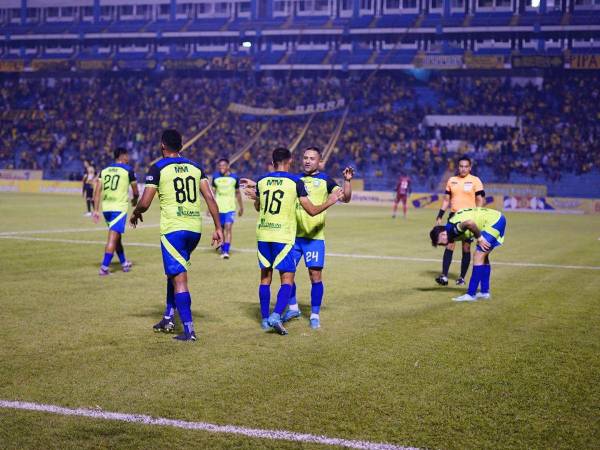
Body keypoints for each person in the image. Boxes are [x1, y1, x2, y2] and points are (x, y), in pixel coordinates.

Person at [130, 129, 223, 342]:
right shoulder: (196, 167)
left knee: (180, 280)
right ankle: (168, 317)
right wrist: (218, 227)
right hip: (194, 229)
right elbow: (209, 196)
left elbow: (144, 203)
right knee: (174, 273)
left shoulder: (158, 167)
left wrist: (135, 213)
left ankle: (189, 330)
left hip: (174, 230)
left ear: (163, 145)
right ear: (180, 146)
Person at [250, 147, 343, 335]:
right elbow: (312, 210)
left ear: (272, 160)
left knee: (265, 278)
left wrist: (256, 196)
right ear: (290, 160)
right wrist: (331, 201)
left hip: (263, 235)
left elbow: (258, 206)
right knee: (287, 278)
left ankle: (264, 319)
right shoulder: (295, 182)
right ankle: (277, 315)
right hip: (283, 236)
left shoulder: (262, 180)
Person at [282, 146, 353, 329]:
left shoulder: (325, 180)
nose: (307, 161)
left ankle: (314, 315)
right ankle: (293, 308)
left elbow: (345, 198)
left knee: (315, 277)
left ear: (319, 162)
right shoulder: (295, 180)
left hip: (314, 238)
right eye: (305, 157)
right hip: (293, 237)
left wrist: (347, 182)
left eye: (312, 158)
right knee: (286, 274)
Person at [429, 207, 506, 302]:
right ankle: (484, 292)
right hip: (497, 218)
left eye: (440, 243)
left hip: (493, 221)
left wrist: (480, 238)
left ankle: (471, 294)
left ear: (443, 234)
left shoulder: (452, 230)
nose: (442, 245)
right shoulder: (450, 228)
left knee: (478, 255)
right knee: (483, 256)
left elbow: (470, 223)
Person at [435, 156, 485, 286]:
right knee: (449, 244)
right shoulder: (452, 180)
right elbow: (446, 200)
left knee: (466, 247)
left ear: (470, 167)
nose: (463, 169)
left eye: (465, 166)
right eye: (461, 166)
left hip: (469, 218)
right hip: (453, 216)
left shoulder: (475, 181)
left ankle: (461, 278)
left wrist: (477, 215)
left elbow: (480, 199)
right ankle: (444, 276)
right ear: (458, 167)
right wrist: (440, 215)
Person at [92, 148, 139, 275]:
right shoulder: (128, 170)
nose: (128, 158)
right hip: (119, 209)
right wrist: (135, 200)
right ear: (122, 156)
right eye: (127, 155)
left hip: (106, 209)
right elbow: (135, 191)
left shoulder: (104, 171)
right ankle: (104, 268)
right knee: (113, 238)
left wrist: (96, 210)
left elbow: (97, 192)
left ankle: (124, 263)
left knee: (117, 238)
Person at [211, 158, 244, 259]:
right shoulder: (215, 177)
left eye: (223, 165)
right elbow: (213, 194)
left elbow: (238, 193)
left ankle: (225, 251)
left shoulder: (234, 178)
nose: (221, 167)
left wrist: (241, 207)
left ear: (228, 166)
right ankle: (223, 248)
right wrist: (210, 208)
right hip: (218, 208)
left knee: (228, 228)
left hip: (230, 208)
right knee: (221, 229)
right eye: (220, 166)